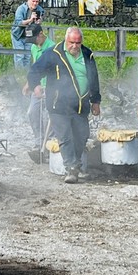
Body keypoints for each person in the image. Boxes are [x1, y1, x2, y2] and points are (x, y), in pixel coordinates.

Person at [27, 26, 101, 183]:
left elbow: (94, 78)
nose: (74, 46)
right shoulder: (54, 54)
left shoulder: (87, 54)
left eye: (78, 43)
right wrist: (35, 85)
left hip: (81, 104)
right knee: (65, 136)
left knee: (81, 136)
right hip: (58, 104)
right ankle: (71, 168)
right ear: (66, 40)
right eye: (71, 42)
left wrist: (96, 101)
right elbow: (34, 71)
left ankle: (77, 165)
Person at [22, 24, 55, 149]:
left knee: (48, 117)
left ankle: (49, 144)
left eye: (34, 39)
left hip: (49, 86)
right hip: (37, 86)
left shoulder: (52, 48)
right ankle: (39, 141)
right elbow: (34, 68)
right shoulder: (34, 48)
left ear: (41, 34)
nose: (33, 43)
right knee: (32, 112)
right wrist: (29, 83)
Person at [11, 0, 45, 67]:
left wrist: (39, 21)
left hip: (30, 35)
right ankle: (18, 73)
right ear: (28, 0)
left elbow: (40, 20)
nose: (35, 3)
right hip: (18, 35)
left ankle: (25, 74)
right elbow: (19, 23)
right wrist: (30, 20)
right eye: (33, 1)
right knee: (20, 55)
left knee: (28, 56)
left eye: (37, 1)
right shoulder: (21, 9)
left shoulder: (40, 9)